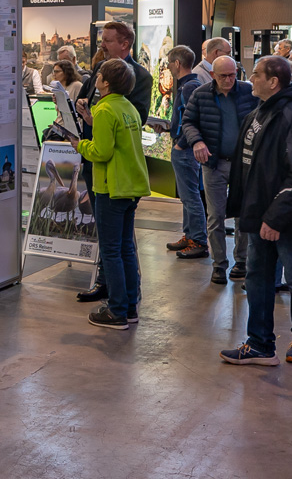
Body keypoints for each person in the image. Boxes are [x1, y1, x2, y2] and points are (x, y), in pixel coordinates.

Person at [220, 56, 292, 365]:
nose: (250, 78)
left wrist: (275, 217)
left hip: (287, 220)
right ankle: (260, 344)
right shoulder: (259, 113)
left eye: (256, 74)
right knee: (257, 279)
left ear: (274, 81)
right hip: (258, 216)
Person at [74, 23, 152, 303]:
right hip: (97, 165)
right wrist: (84, 106)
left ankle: (122, 298)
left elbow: (137, 119)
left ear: (125, 44)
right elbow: (88, 98)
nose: (102, 45)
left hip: (113, 170)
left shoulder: (138, 78)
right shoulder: (100, 70)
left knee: (115, 241)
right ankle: (114, 288)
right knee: (109, 235)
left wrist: (94, 128)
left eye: (107, 41)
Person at [181, 55, 256, 284]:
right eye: (223, 76)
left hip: (243, 164)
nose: (229, 80)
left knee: (243, 215)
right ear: (213, 75)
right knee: (216, 216)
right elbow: (188, 121)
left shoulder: (248, 92)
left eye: (233, 75)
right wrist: (197, 141)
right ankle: (219, 264)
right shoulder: (201, 93)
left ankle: (241, 261)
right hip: (214, 163)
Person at [162, 46, 208, 260]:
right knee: (187, 195)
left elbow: (193, 121)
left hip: (186, 151)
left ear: (177, 64)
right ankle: (189, 235)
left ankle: (198, 240)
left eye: (170, 63)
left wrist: (181, 144)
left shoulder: (190, 87)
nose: (169, 67)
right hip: (184, 149)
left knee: (191, 196)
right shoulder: (189, 85)